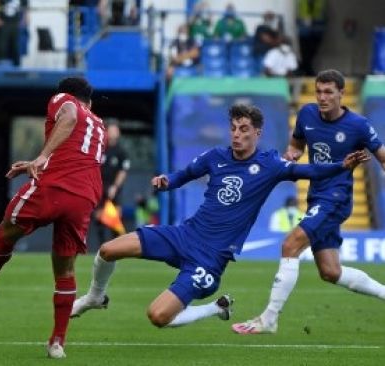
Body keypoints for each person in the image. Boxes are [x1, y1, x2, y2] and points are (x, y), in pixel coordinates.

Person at [70, 103, 368, 331]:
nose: (237, 135)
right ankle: (95, 296)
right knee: (109, 251)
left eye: (244, 130)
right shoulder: (215, 157)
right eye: (234, 128)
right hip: (184, 235)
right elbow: (185, 174)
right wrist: (167, 181)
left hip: (210, 259)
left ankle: (215, 307)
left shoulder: (271, 165)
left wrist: (341, 166)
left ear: (257, 133)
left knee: (158, 316)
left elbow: (308, 171)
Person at [0, 77, 106, 359]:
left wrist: (41, 157)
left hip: (55, 186)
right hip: (85, 195)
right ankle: (57, 342)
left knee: (8, 228)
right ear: (92, 101)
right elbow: (75, 153)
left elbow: (70, 116)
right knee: (64, 268)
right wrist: (40, 160)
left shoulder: (64, 100)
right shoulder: (98, 124)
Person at [232, 69, 385, 335]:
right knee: (330, 271)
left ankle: (269, 318)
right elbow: (296, 146)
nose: (322, 97)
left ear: (341, 93)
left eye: (328, 92)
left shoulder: (358, 125)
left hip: (336, 197)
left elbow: (382, 156)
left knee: (290, 244)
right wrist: (290, 156)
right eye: (318, 91)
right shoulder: (307, 114)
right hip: (317, 194)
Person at [95, 121, 130, 243]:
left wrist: (115, 187)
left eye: (114, 130)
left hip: (114, 190)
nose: (112, 133)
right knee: (99, 217)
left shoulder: (121, 152)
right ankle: (101, 247)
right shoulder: (100, 149)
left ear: (118, 133)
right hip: (100, 188)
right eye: (110, 130)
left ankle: (116, 246)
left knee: (115, 218)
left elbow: (123, 171)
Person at [296, 0, 327, 76]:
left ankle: (304, 69)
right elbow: (297, 12)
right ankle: (308, 71)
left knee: (312, 51)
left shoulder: (321, 1)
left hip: (317, 29)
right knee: (304, 52)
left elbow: (324, 13)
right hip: (304, 29)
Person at [0, 0, 28, 66]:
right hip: (4, 23)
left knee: (16, 47)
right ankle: (1, 67)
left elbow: (25, 7)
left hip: (16, 23)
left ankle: (17, 67)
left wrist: (25, 18)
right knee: (1, 46)